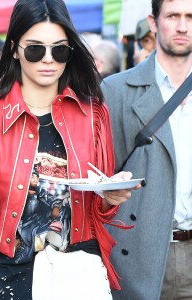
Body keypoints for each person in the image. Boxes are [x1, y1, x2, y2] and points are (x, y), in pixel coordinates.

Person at [0, 0, 140, 299]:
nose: (48, 59)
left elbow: (98, 207)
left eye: (60, 50)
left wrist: (110, 198)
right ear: (15, 49)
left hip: (80, 272)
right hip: (9, 275)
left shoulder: (93, 115)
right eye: (35, 49)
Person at [101, 0, 192, 299]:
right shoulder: (115, 91)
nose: (182, 26)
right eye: (173, 16)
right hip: (139, 256)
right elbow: (98, 177)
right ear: (153, 22)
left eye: (190, 16)